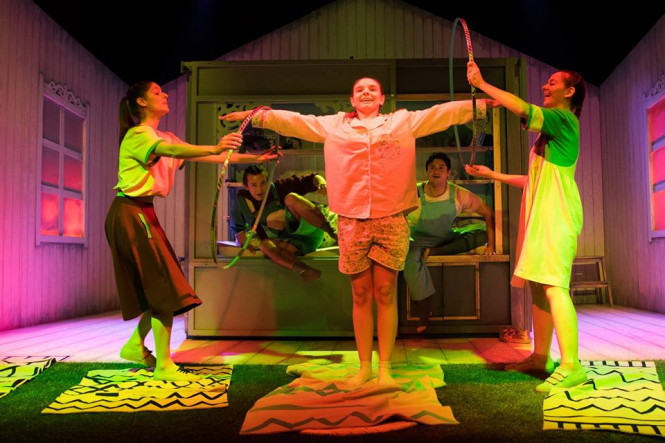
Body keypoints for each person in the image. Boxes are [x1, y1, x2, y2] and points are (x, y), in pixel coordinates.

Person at [221, 78, 492, 385]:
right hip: (351, 220)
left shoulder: (401, 122)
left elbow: (440, 114)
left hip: (391, 218)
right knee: (361, 294)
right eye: (360, 89)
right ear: (352, 99)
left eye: (372, 89)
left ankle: (385, 369)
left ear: (381, 99)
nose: (366, 92)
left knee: (386, 292)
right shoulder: (335, 126)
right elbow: (295, 122)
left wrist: (479, 106)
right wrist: (255, 116)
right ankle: (365, 368)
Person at [105, 81, 277, 382]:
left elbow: (210, 157)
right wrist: (216, 145)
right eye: (157, 92)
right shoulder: (138, 135)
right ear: (141, 103)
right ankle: (163, 366)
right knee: (165, 287)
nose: (165, 94)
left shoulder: (164, 137)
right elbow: (173, 150)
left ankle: (135, 345)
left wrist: (255, 159)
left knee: (163, 284)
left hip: (143, 213)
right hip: (130, 212)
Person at [466, 61, 587, 393]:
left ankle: (572, 366)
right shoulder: (550, 134)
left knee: (555, 287)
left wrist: (482, 83)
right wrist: (493, 175)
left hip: (556, 216)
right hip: (543, 216)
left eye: (552, 83)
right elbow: (532, 180)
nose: (545, 87)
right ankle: (540, 357)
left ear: (569, 92)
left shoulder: (564, 120)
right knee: (539, 286)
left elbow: (521, 107)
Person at [404, 152, 495, 333]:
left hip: (446, 239)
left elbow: (487, 213)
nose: (436, 171)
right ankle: (424, 307)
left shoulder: (458, 193)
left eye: (441, 168)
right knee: (410, 256)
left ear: (448, 173)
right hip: (419, 240)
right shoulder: (414, 192)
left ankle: (436, 251)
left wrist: (491, 245)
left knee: (479, 232)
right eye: (432, 167)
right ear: (426, 172)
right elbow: (397, 215)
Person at [231, 165, 338, 282]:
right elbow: (238, 231)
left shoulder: (278, 188)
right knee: (265, 246)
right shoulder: (241, 202)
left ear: (268, 181)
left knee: (290, 198)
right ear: (246, 186)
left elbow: (311, 179)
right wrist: (245, 246)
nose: (260, 189)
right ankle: (303, 270)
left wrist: (322, 184)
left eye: (263, 183)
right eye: (254, 185)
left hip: (314, 225)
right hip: (301, 240)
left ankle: (332, 232)